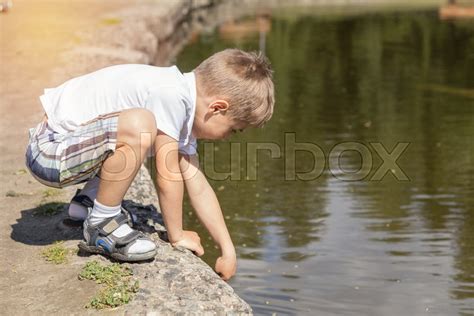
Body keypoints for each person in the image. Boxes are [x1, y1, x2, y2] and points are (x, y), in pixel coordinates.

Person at [25, 49, 275, 281]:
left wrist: (227, 248)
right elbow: (168, 177)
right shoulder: (171, 95)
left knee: (145, 133)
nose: (228, 136)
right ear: (217, 108)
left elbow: (197, 184)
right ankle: (102, 224)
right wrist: (176, 235)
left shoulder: (181, 102)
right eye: (233, 130)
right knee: (140, 125)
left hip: (70, 152)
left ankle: (87, 204)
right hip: (48, 154)